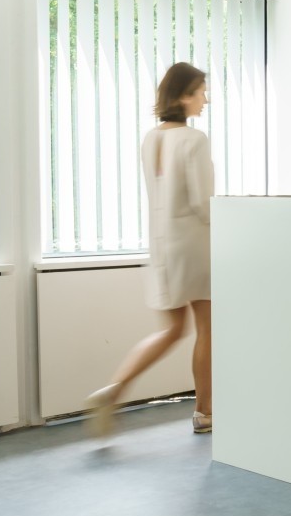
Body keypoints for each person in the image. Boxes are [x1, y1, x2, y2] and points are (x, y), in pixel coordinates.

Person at [84, 62, 214, 436]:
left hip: (161, 245)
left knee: (173, 330)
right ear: (182, 95)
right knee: (206, 328)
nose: (205, 99)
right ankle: (204, 412)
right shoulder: (194, 139)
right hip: (193, 245)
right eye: (200, 91)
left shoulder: (150, 138)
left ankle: (113, 390)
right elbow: (203, 204)